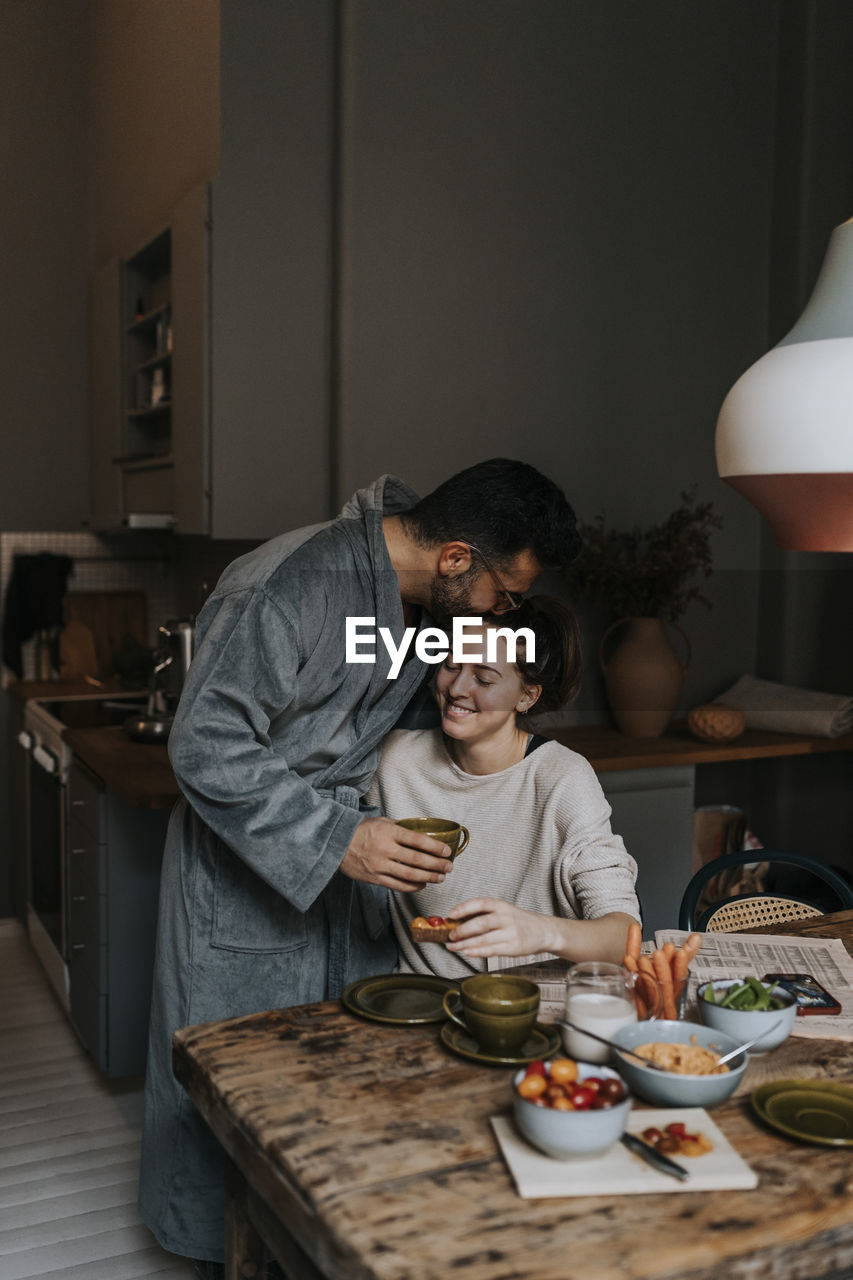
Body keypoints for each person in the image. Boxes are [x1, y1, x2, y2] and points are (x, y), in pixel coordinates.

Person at [138, 459, 581, 1272]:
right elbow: (205, 745)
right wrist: (335, 839)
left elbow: (434, 719)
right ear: (454, 558)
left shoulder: (414, 600)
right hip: (247, 868)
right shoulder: (281, 587)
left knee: (346, 1082)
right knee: (240, 1080)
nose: (503, 609)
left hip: (361, 864)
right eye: (502, 592)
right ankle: (221, 1256)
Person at [369, 597, 640, 980]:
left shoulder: (563, 778)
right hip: (422, 999)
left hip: (531, 1004)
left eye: (483, 678)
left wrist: (539, 931)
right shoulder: (394, 761)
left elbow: (623, 937)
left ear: (526, 695)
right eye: (450, 665)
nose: (458, 688)